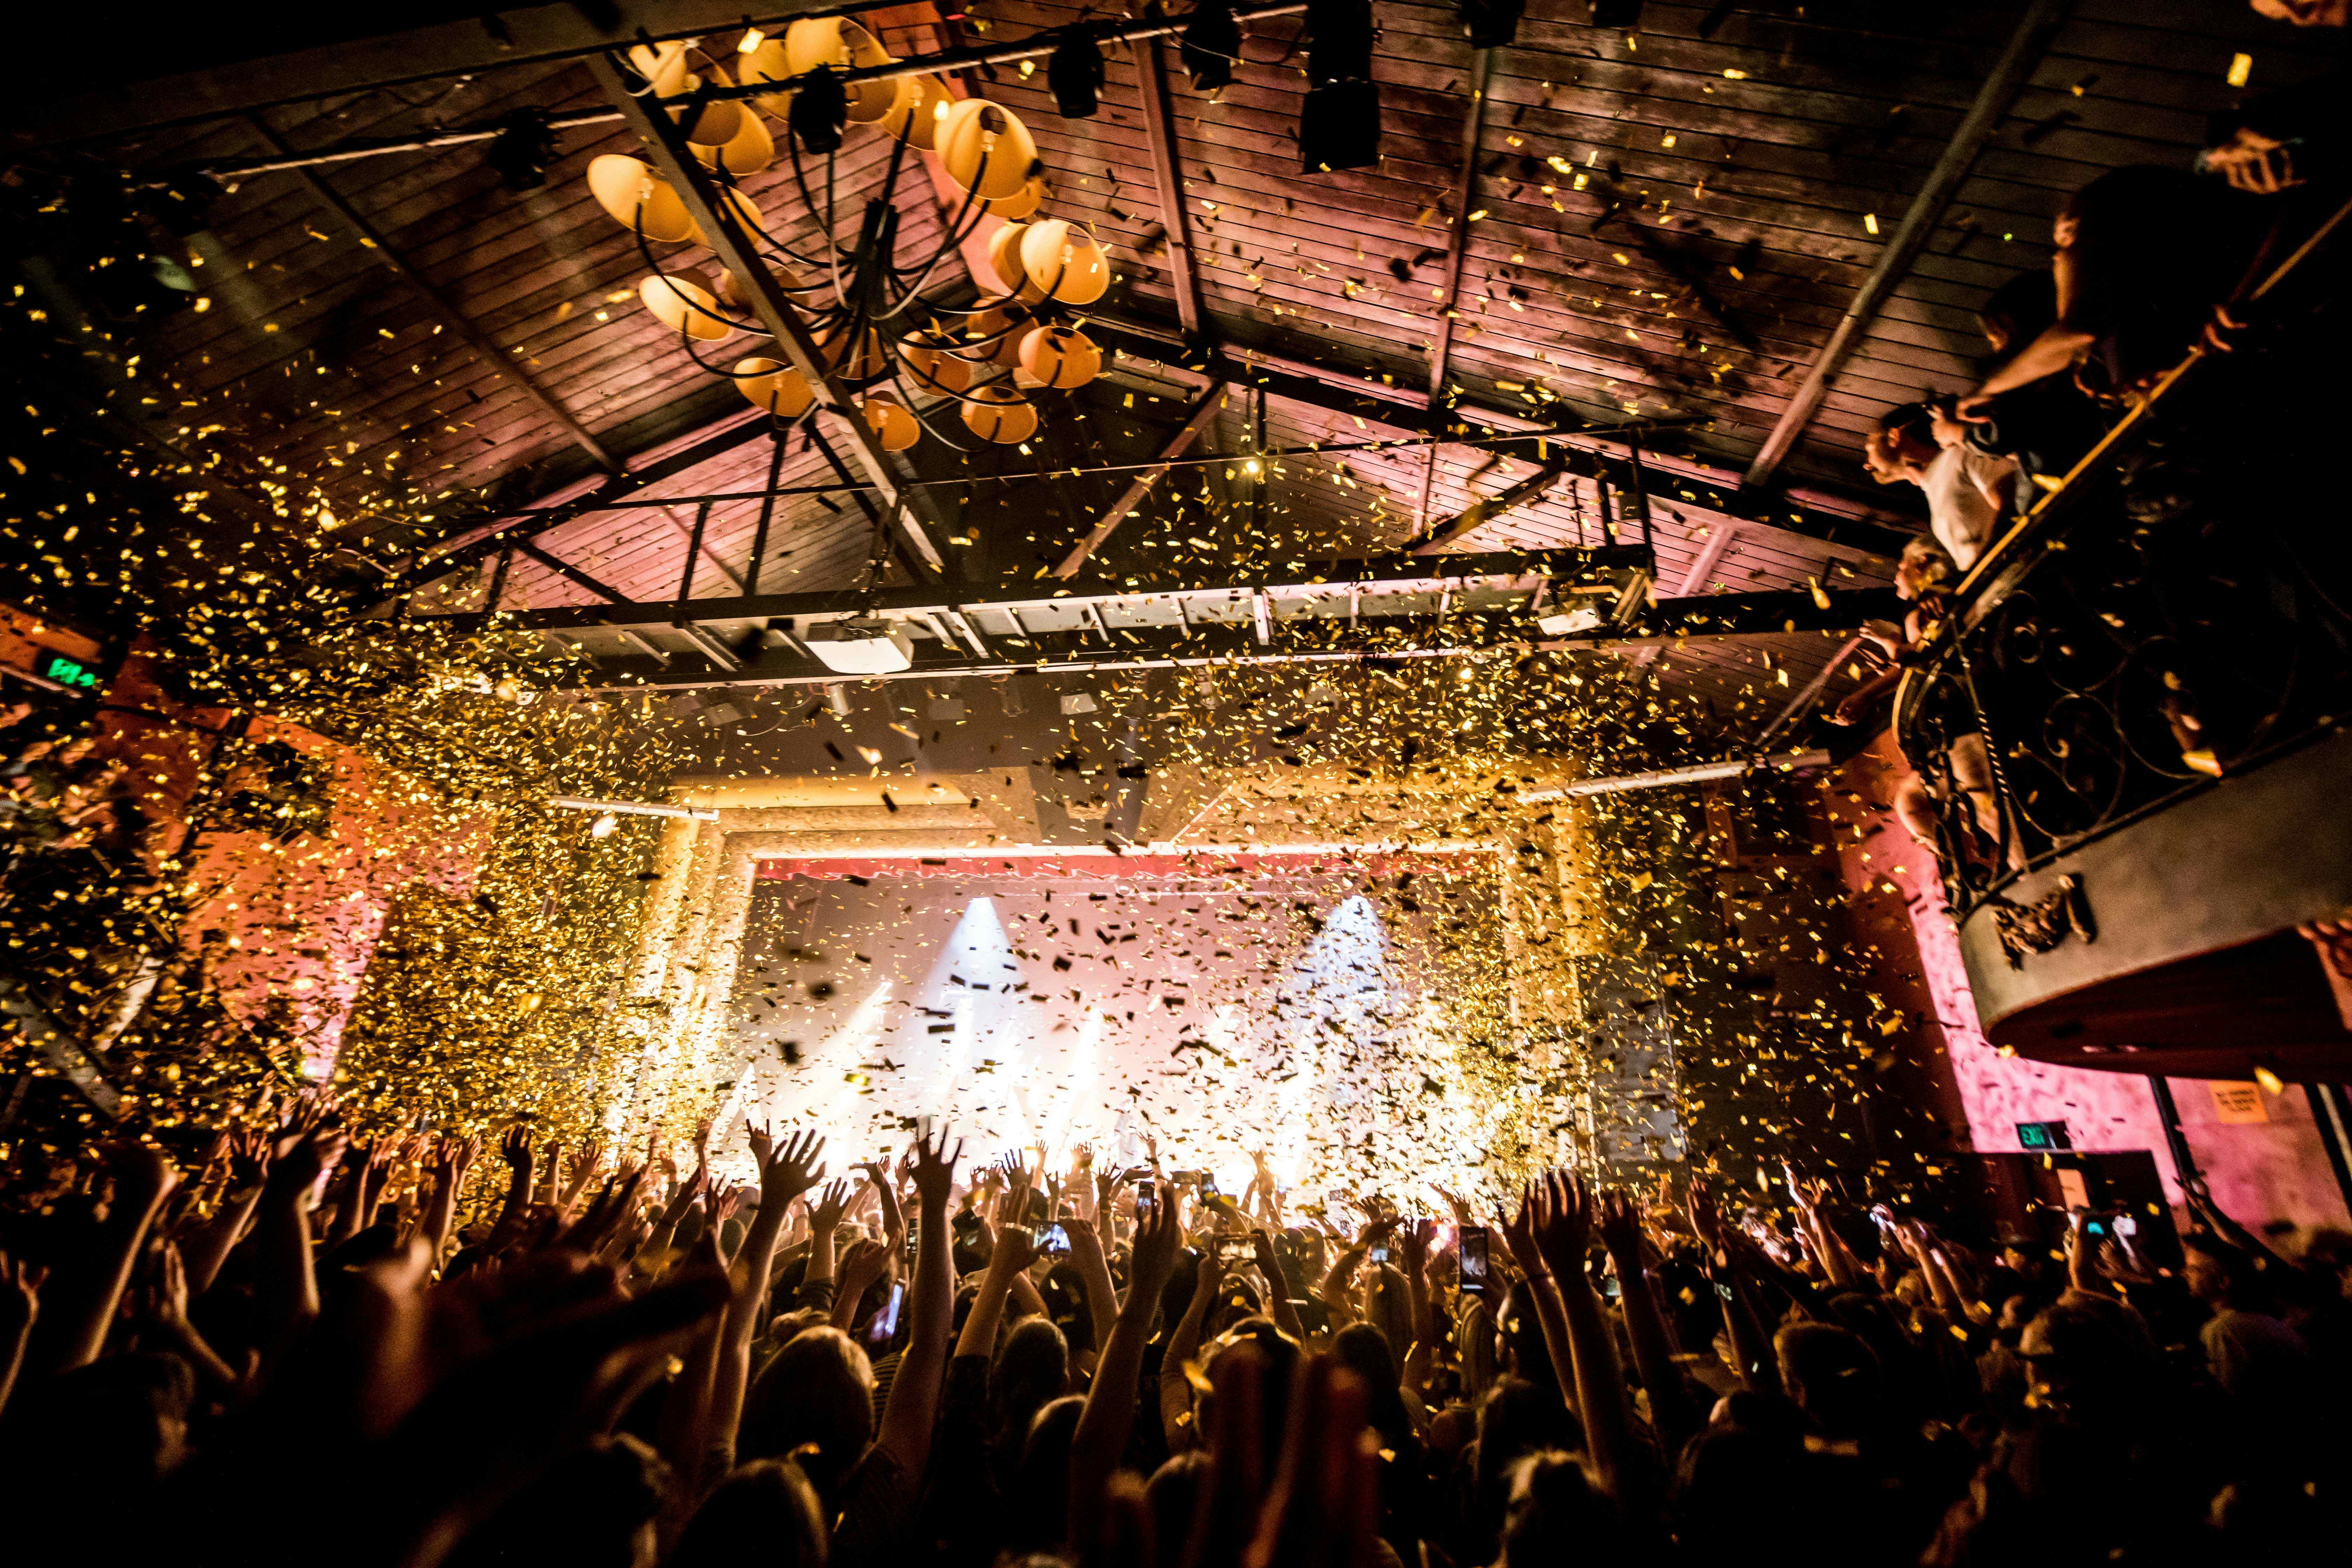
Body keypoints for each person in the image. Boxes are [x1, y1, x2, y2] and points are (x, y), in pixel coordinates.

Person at [1863, 403, 2017, 574]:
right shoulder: (1932, 486)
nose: (1866, 465)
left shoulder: (1960, 455)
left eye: (1869, 447)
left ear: (1894, 437)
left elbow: (2011, 503)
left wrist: (1982, 568)